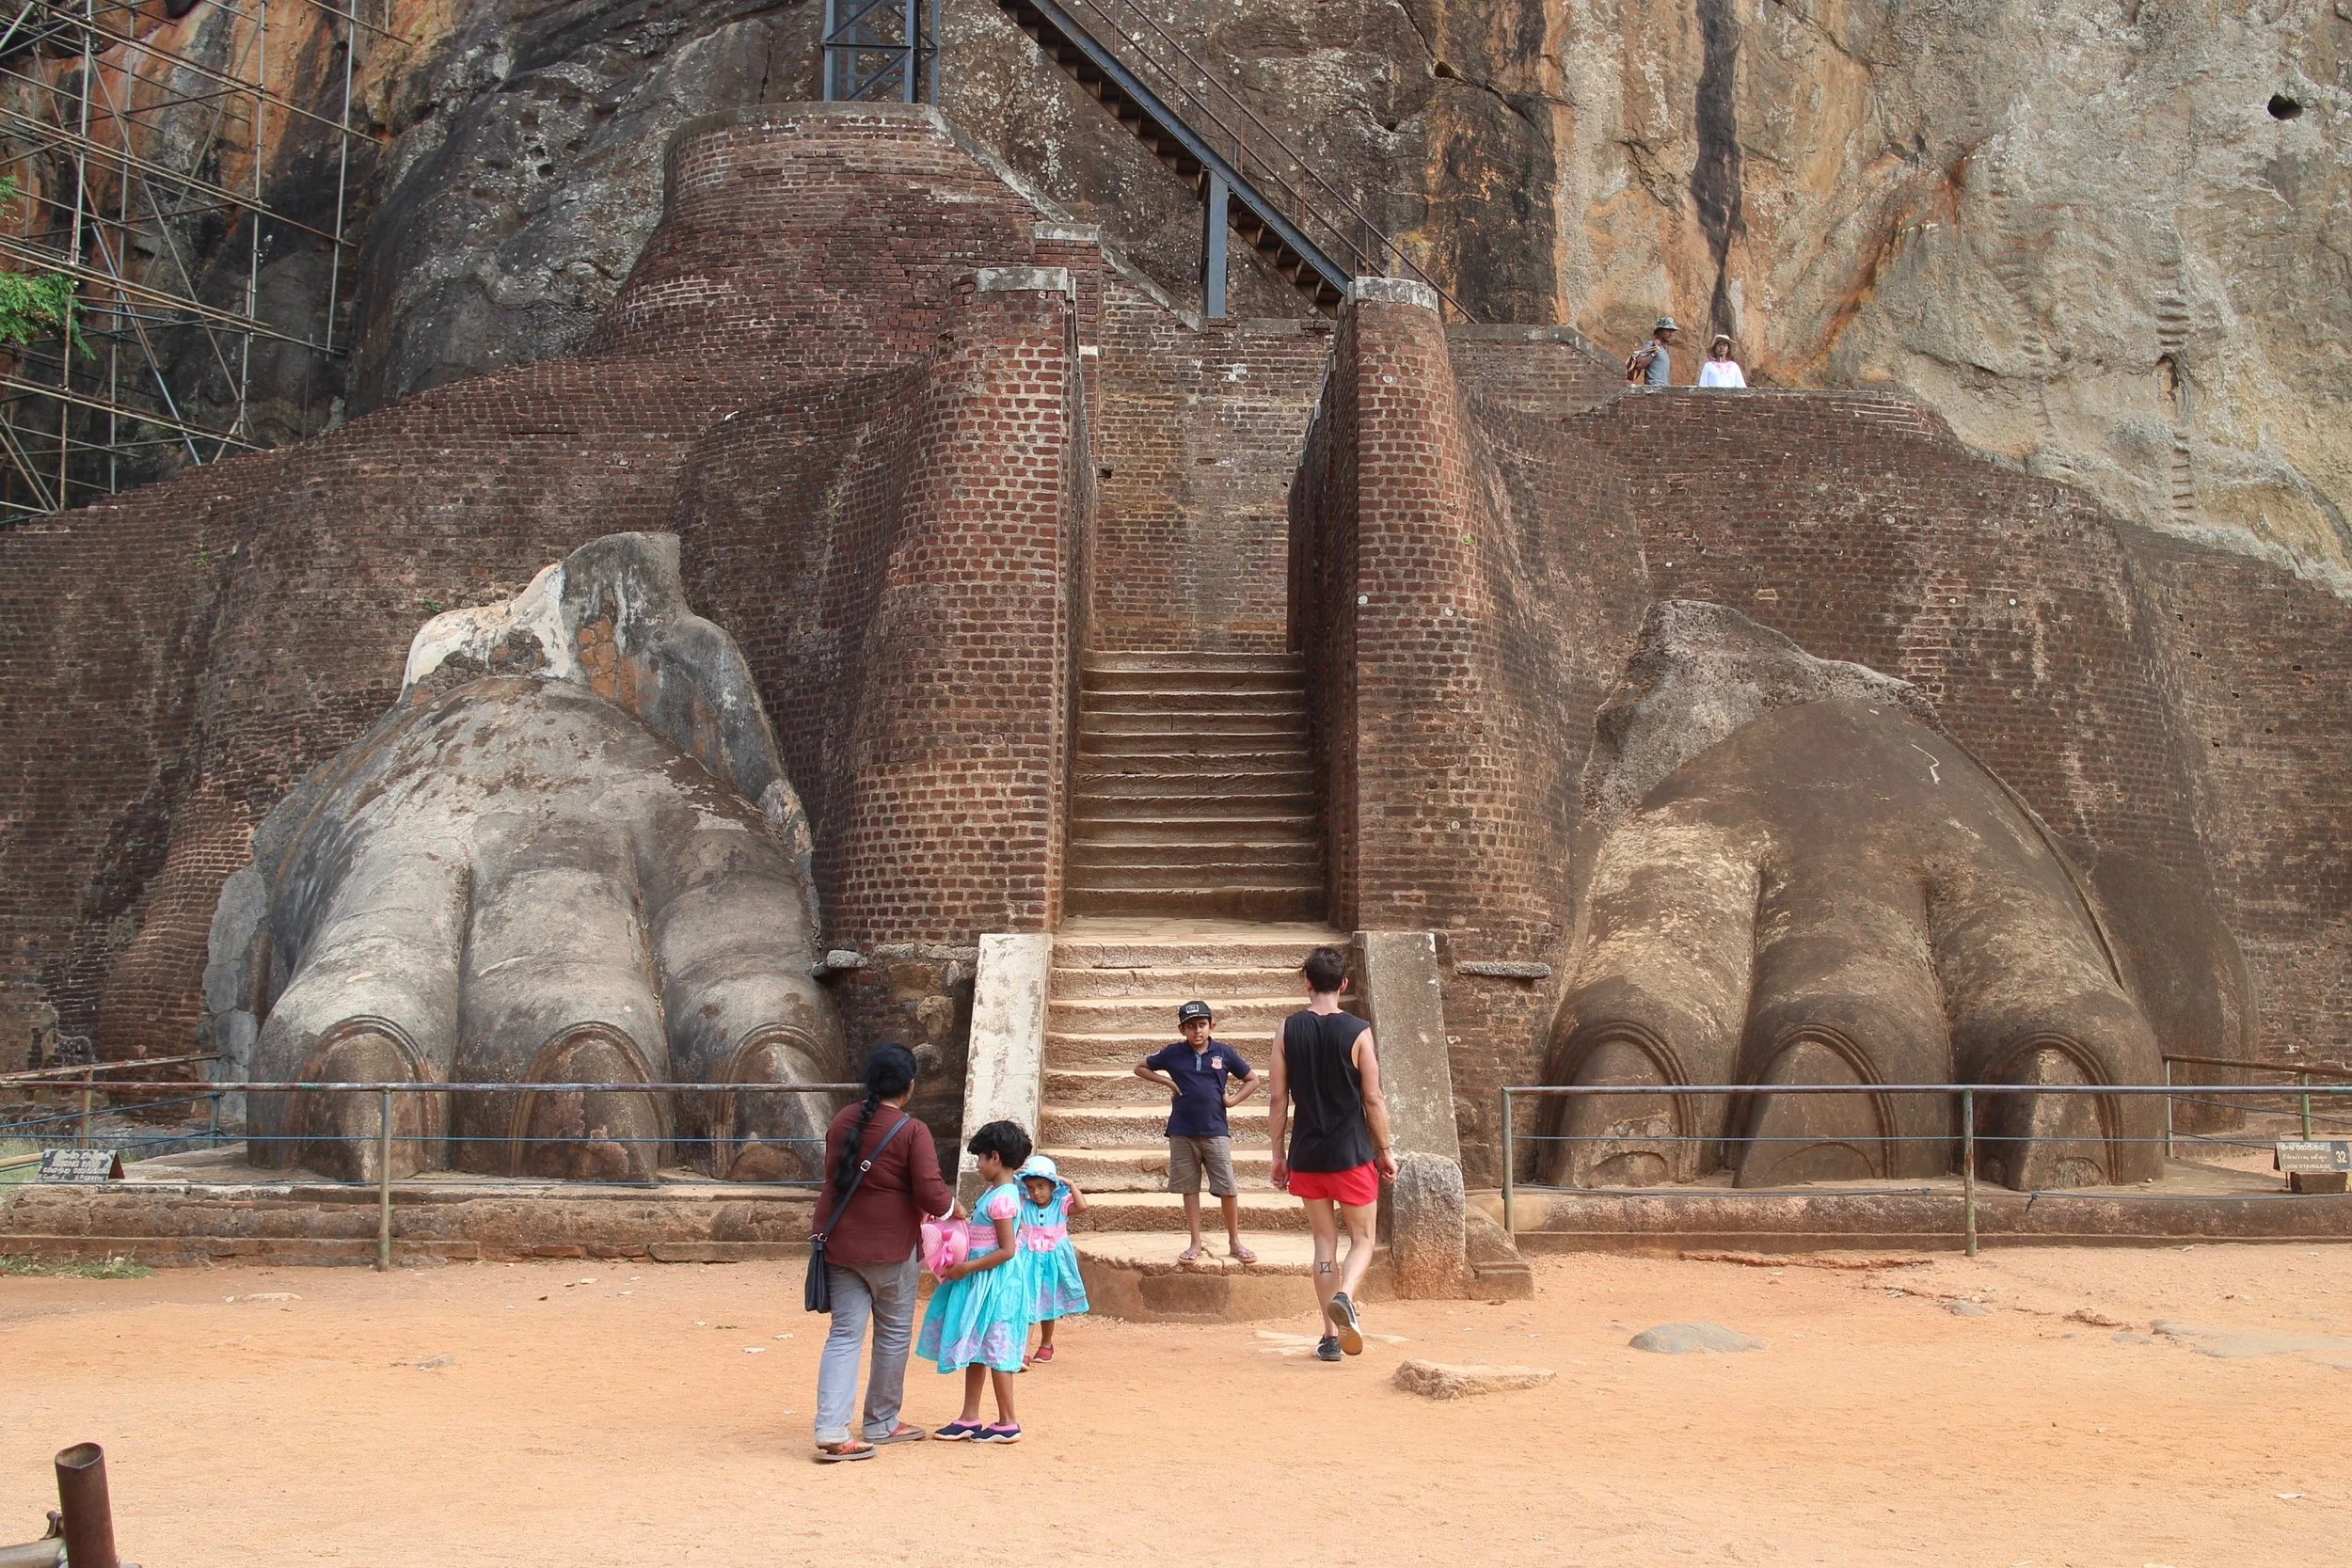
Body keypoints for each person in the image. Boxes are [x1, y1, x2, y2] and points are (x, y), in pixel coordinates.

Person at [809, 1041, 956, 1463]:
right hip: (891, 1248)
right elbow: (932, 1192)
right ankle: (882, 1421)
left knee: (843, 1336)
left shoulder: (842, 1120)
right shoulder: (912, 1130)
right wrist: (953, 1209)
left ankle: (832, 1428)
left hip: (840, 1244)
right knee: (892, 1335)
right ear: (909, 1086)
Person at [1267, 946, 1396, 1363]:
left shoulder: (1287, 1030)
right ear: (1343, 984)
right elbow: (1373, 1099)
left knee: (1324, 1242)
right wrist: (1386, 1149)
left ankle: (1328, 1337)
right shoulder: (1359, 1031)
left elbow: (1276, 1098)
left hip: (1307, 1152)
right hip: (1352, 1152)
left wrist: (1278, 1154)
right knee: (1363, 1239)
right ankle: (1346, 1295)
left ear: (1306, 982)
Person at [918, 1118, 1034, 1443]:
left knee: (996, 1348)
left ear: (995, 1157)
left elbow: (1007, 1250)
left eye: (981, 1158)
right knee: (980, 1346)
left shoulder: (1003, 1198)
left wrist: (966, 1268)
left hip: (995, 1283)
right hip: (986, 1282)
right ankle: (970, 1416)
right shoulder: (996, 1192)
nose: (979, 1165)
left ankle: (1008, 1420)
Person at [1136, 999, 1259, 1264]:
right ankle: (1195, 1241)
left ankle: (1235, 1240)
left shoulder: (1224, 1053)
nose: (1197, 1031)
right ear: (1182, 1030)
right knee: (1189, 1188)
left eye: (1202, 1025)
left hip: (1215, 1130)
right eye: (1190, 1026)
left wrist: (1232, 1101)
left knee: (1227, 1187)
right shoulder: (1172, 1053)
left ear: (1211, 1026)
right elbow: (1141, 1067)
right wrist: (1167, 1081)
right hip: (1181, 1130)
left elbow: (1253, 1079)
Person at [1014, 1153, 1089, 1364]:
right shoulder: (1022, 1203)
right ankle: (1023, 1352)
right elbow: (999, 1193)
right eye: (1030, 1187)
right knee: (1027, 1301)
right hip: (1028, 1259)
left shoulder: (1061, 1204)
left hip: (1054, 1262)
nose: (1036, 1192)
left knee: (1049, 1302)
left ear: (1053, 1186)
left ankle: (1046, 1344)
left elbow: (1082, 1207)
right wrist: (1013, 1173)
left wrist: (1071, 1183)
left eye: (1041, 1186)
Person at [1626, 315, 1677, 387]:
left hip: (1663, 389)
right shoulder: (1651, 345)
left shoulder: (1665, 350)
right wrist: (1654, 353)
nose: (1671, 334)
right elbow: (1639, 365)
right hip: (1653, 388)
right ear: (1659, 330)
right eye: (1668, 330)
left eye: (1672, 331)